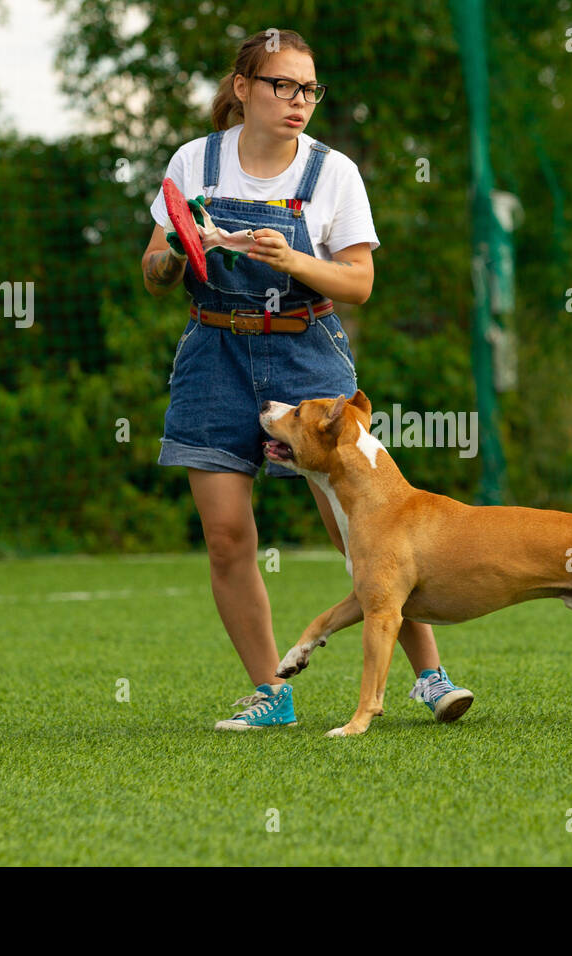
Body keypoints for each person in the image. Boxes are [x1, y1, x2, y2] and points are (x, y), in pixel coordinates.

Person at [141, 29, 473, 731]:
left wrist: (292, 261)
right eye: (282, 86)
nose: (299, 101)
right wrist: (176, 251)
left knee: (368, 536)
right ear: (242, 89)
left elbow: (360, 282)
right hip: (214, 352)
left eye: (309, 89)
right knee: (228, 536)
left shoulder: (333, 172)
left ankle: (431, 678)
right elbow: (153, 272)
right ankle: (272, 694)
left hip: (308, 355)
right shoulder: (192, 162)